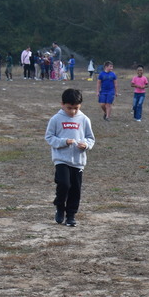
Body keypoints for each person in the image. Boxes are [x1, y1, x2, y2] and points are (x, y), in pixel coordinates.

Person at [44, 88, 95, 227]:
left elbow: (91, 138)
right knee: (64, 184)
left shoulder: (84, 119)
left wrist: (86, 145)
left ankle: (71, 215)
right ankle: (60, 206)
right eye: (69, 108)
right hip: (61, 159)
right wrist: (63, 142)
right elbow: (49, 137)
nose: (72, 111)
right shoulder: (56, 119)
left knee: (75, 189)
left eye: (76, 108)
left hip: (78, 161)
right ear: (62, 104)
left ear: (80, 105)